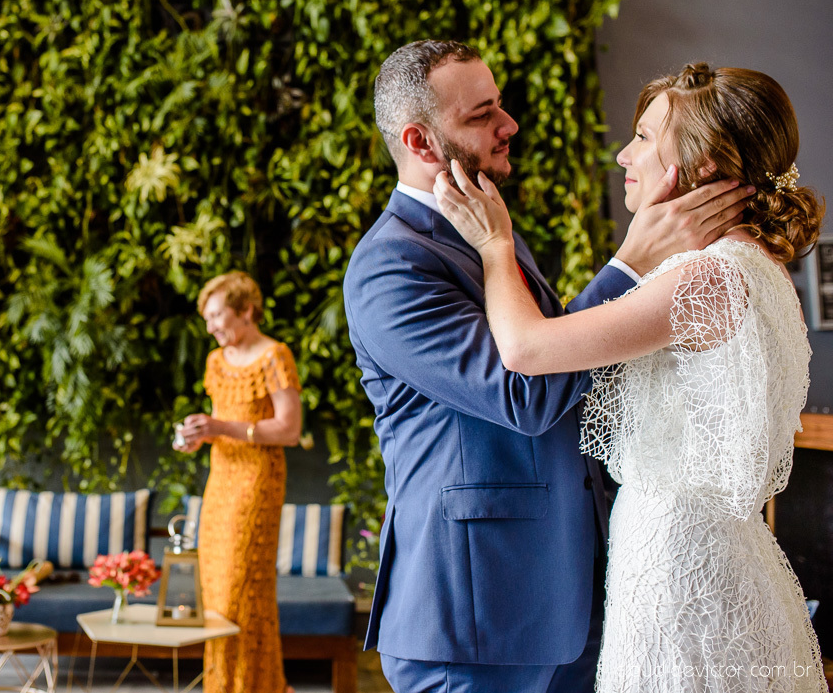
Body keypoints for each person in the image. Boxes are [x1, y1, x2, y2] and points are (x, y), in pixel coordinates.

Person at [342, 40, 755, 693]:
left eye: (499, 105)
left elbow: (571, 372)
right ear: (420, 142)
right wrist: (630, 266)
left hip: (571, 593)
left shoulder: (491, 228)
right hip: (477, 616)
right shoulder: (389, 266)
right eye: (481, 115)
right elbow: (524, 394)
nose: (508, 124)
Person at [434, 63, 826, 692]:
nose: (624, 154)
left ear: (699, 164)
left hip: (679, 570)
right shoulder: (759, 266)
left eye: (643, 138)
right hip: (710, 557)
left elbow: (526, 349)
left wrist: (494, 246)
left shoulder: (705, 278)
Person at [174, 270, 302, 693]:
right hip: (221, 481)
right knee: (215, 590)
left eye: (217, 316)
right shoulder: (216, 361)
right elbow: (219, 422)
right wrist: (197, 436)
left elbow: (289, 430)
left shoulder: (275, 356)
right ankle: (227, 684)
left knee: (242, 589)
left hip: (257, 482)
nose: (210, 326)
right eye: (207, 319)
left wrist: (221, 428)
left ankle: (250, 686)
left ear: (246, 310)